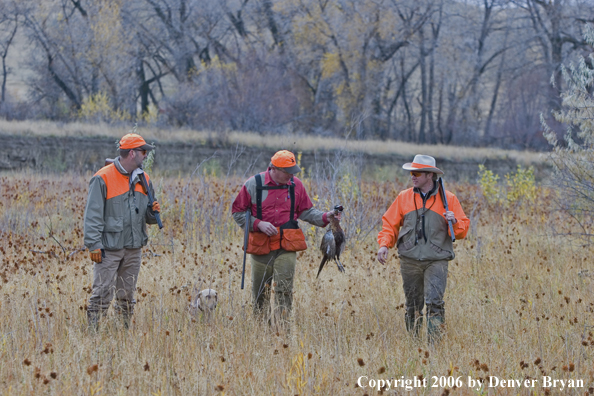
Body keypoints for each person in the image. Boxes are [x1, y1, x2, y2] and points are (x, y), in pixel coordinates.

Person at [232, 150, 341, 328]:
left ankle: (283, 329)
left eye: (293, 172)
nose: (291, 175)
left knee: (284, 289)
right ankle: (261, 330)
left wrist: (326, 216)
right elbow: (237, 213)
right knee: (260, 292)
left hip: (287, 245)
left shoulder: (296, 185)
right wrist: (258, 224)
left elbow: (306, 211)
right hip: (261, 246)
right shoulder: (253, 184)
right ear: (274, 168)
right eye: (287, 172)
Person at [376, 154, 469, 342]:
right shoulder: (404, 198)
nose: (412, 176)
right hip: (409, 259)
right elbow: (389, 224)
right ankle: (414, 343)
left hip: (437, 259)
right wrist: (384, 244)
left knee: (435, 302)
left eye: (417, 173)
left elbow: (461, 231)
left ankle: (434, 347)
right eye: (411, 172)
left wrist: (454, 221)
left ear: (429, 175)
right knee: (413, 304)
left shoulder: (448, 199)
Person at [83, 133, 161, 330]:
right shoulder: (103, 177)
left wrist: (154, 212)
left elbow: (147, 217)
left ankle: (123, 334)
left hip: (133, 248)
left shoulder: (144, 179)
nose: (146, 156)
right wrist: (93, 245)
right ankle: (92, 335)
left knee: (127, 296)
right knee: (101, 293)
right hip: (109, 248)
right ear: (132, 153)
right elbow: (92, 215)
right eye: (143, 152)